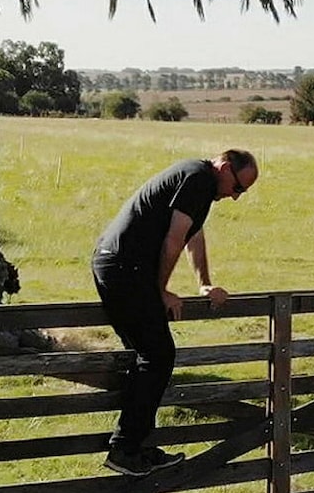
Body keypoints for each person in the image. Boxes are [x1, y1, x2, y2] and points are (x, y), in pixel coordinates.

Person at [92, 149, 256, 476]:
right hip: (125, 267)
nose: (235, 197)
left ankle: (134, 445)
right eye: (238, 187)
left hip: (117, 263)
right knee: (158, 355)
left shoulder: (200, 182)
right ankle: (125, 448)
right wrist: (161, 290)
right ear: (225, 167)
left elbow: (193, 236)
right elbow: (174, 239)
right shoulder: (198, 179)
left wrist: (205, 284)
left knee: (147, 356)